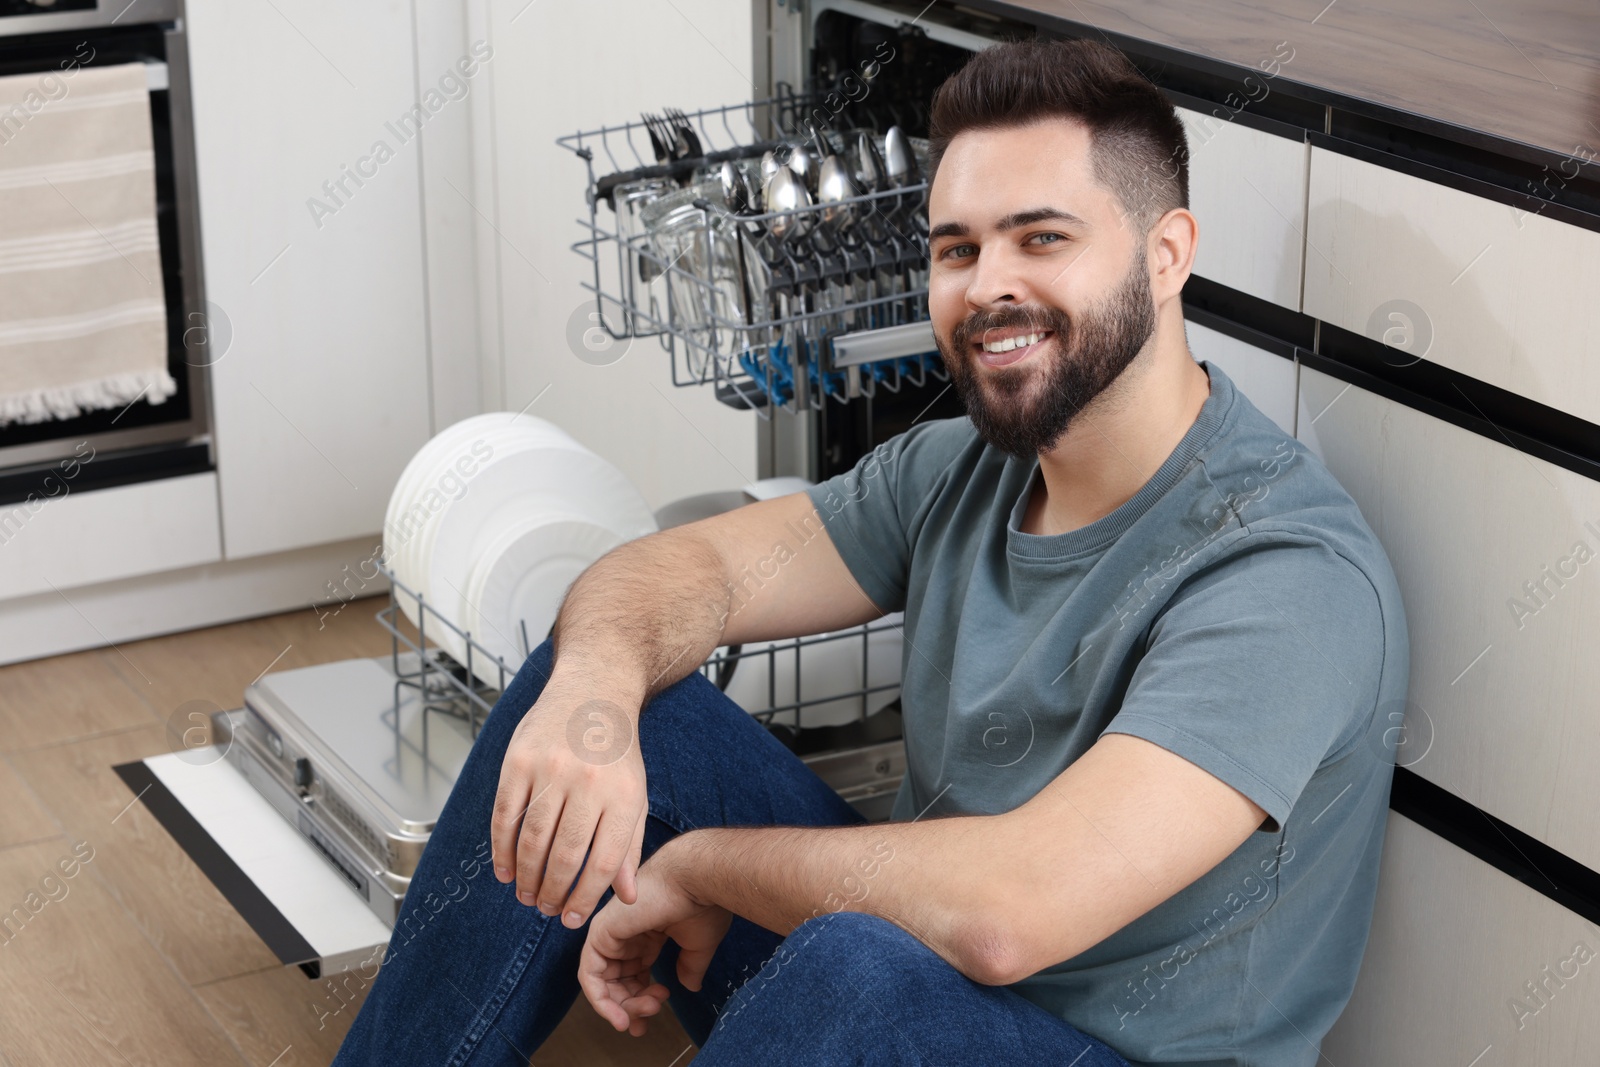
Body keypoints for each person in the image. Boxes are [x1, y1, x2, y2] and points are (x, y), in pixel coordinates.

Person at [333, 35, 1409, 1067]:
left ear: (1165, 253)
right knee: (610, 705)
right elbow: (672, 573)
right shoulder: (956, 469)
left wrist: (708, 866)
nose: (987, 285)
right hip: (917, 979)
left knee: (860, 967)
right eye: (956, 248)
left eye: (1041, 238)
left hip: (1077, 1037)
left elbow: (1004, 918)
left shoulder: (1282, 571)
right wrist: (590, 692)